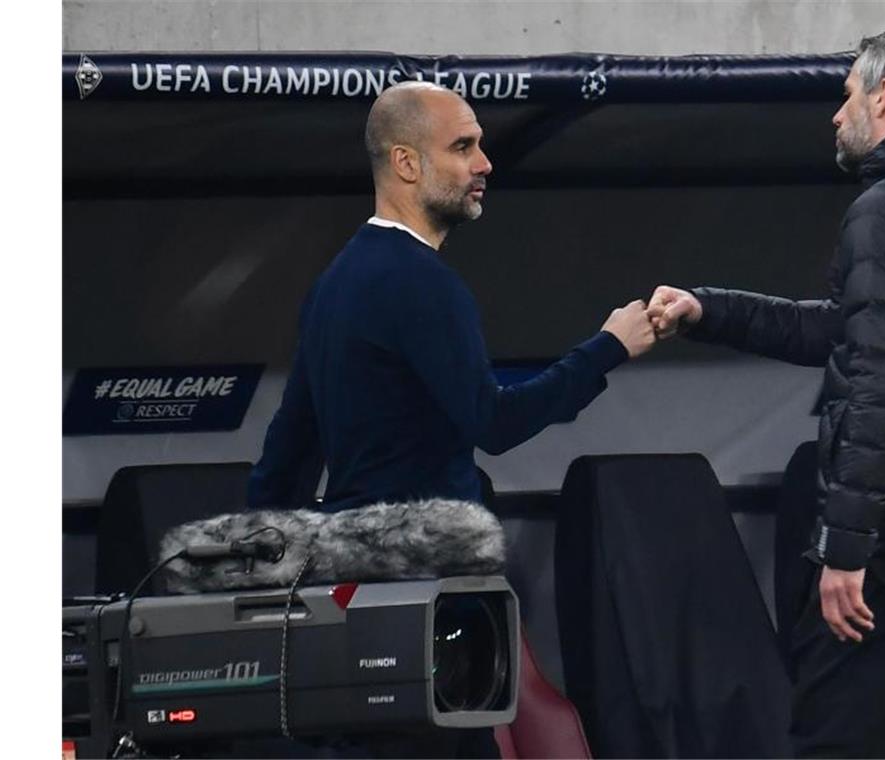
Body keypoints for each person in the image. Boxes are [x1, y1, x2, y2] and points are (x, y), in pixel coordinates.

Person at [648, 26, 885, 758]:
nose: (836, 114)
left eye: (846, 92)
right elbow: (856, 333)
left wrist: (844, 551)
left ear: (883, 95)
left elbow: (884, 389)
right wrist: (712, 309)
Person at [247, 81, 655, 758]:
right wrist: (607, 349)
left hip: (358, 614)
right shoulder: (420, 283)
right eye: (463, 146)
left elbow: (285, 458)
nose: (485, 163)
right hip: (428, 607)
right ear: (407, 164)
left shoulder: (336, 282)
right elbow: (492, 420)